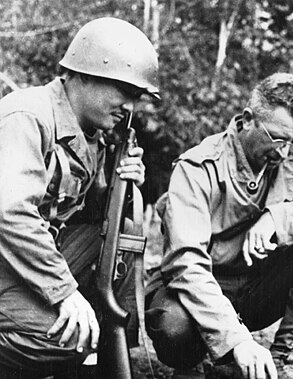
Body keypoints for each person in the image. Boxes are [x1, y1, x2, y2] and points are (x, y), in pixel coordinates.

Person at [145, 72, 293, 379]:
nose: (284, 152)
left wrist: (281, 218)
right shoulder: (198, 167)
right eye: (277, 138)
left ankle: (278, 360)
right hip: (199, 290)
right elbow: (186, 265)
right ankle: (194, 367)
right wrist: (236, 339)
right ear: (247, 120)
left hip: (255, 289)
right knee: (173, 325)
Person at [0, 17, 159, 377]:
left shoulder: (93, 134)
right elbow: (10, 213)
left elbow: (87, 217)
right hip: (8, 253)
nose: (130, 107)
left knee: (126, 234)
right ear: (85, 74)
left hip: (31, 255)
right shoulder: (27, 116)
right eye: (125, 91)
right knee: (69, 339)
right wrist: (64, 292)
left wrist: (125, 186)